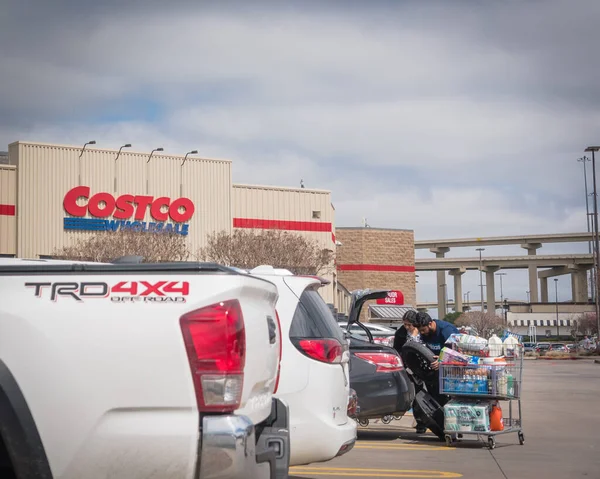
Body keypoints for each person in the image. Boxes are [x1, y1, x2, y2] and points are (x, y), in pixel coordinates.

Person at [409, 312, 459, 407]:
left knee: (448, 397)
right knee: (435, 395)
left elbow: (457, 350)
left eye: (423, 330)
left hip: (453, 367)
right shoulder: (425, 333)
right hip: (436, 368)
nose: (422, 333)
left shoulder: (447, 330)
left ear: (430, 323)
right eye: (420, 331)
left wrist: (443, 360)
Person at [392, 310, 427, 433]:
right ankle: (421, 423)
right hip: (409, 367)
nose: (406, 327)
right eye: (405, 324)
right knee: (417, 395)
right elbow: (397, 350)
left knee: (428, 393)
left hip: (425, 366)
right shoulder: (401, 333)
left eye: (409, 325)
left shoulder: (423, 332)